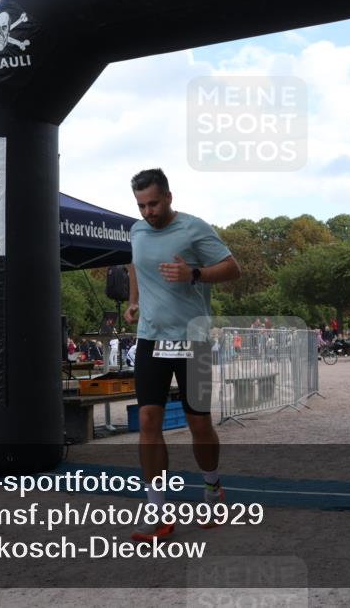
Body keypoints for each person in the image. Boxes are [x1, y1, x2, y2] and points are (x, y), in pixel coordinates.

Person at [123, 168, 241, 542]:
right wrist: (133, 301)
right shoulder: (137, 230)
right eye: (141, 205)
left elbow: (232, 268)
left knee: (199, 424)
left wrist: (194, 274)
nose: (148, 212)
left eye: (153, 203)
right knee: (147, 421)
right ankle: (157, 510)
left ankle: (212, 487)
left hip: (193, 339)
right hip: (151, 340)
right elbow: (135, 265)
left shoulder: (194, 229)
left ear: (169, 197)